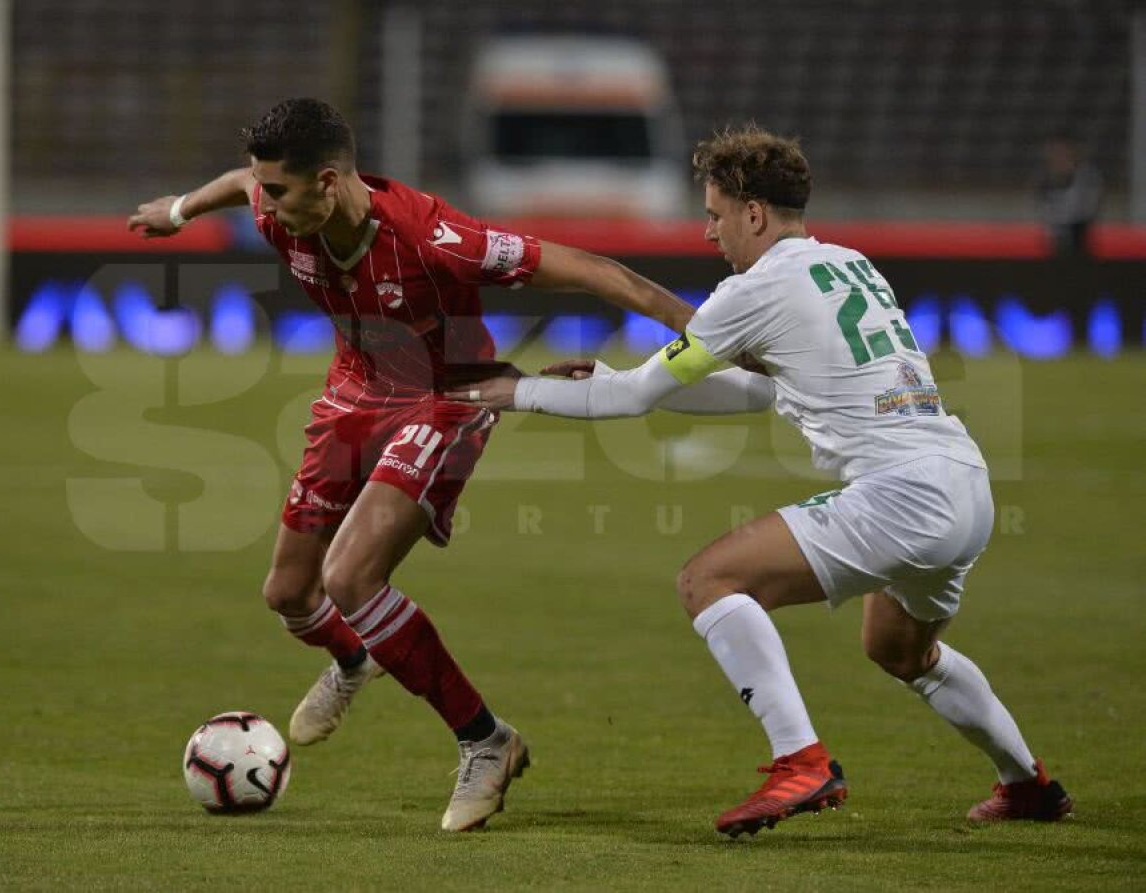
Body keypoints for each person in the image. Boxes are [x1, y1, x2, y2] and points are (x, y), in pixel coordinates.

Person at [451, 125, 1073, 837]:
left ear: (753, 214)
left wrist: (514, 391)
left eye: (715, 214)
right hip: (963, 483)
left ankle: (800, 760)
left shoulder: (756, 288)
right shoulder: (848, 264)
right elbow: (759, 390)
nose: (708, 231)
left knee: (708, 580)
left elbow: (633, 399)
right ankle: (1028, 784)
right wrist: (621, 376)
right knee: (899, 649)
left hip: (901, 495)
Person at [127, 97, 694, 832]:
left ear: (328, 182)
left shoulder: (433, 238)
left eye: (279, 190)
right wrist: (180, 209)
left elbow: (586, 269)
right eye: (265, 188)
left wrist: (697, 328)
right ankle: (355, 659)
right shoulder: (277, 209)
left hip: (446, 395)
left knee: (350, 577)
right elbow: (240, 182)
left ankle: (486, 739)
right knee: (290, 592)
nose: (264, 203)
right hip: (355, 390)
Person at [1035, 136, 1103, 257]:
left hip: (1078, 233)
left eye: (1062, 153)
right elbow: (1043, 208)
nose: (1059, 158)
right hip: (1057, 235)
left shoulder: (1086, 177)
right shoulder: (1045, 180)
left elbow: (1088, 208)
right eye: (1055, 154)